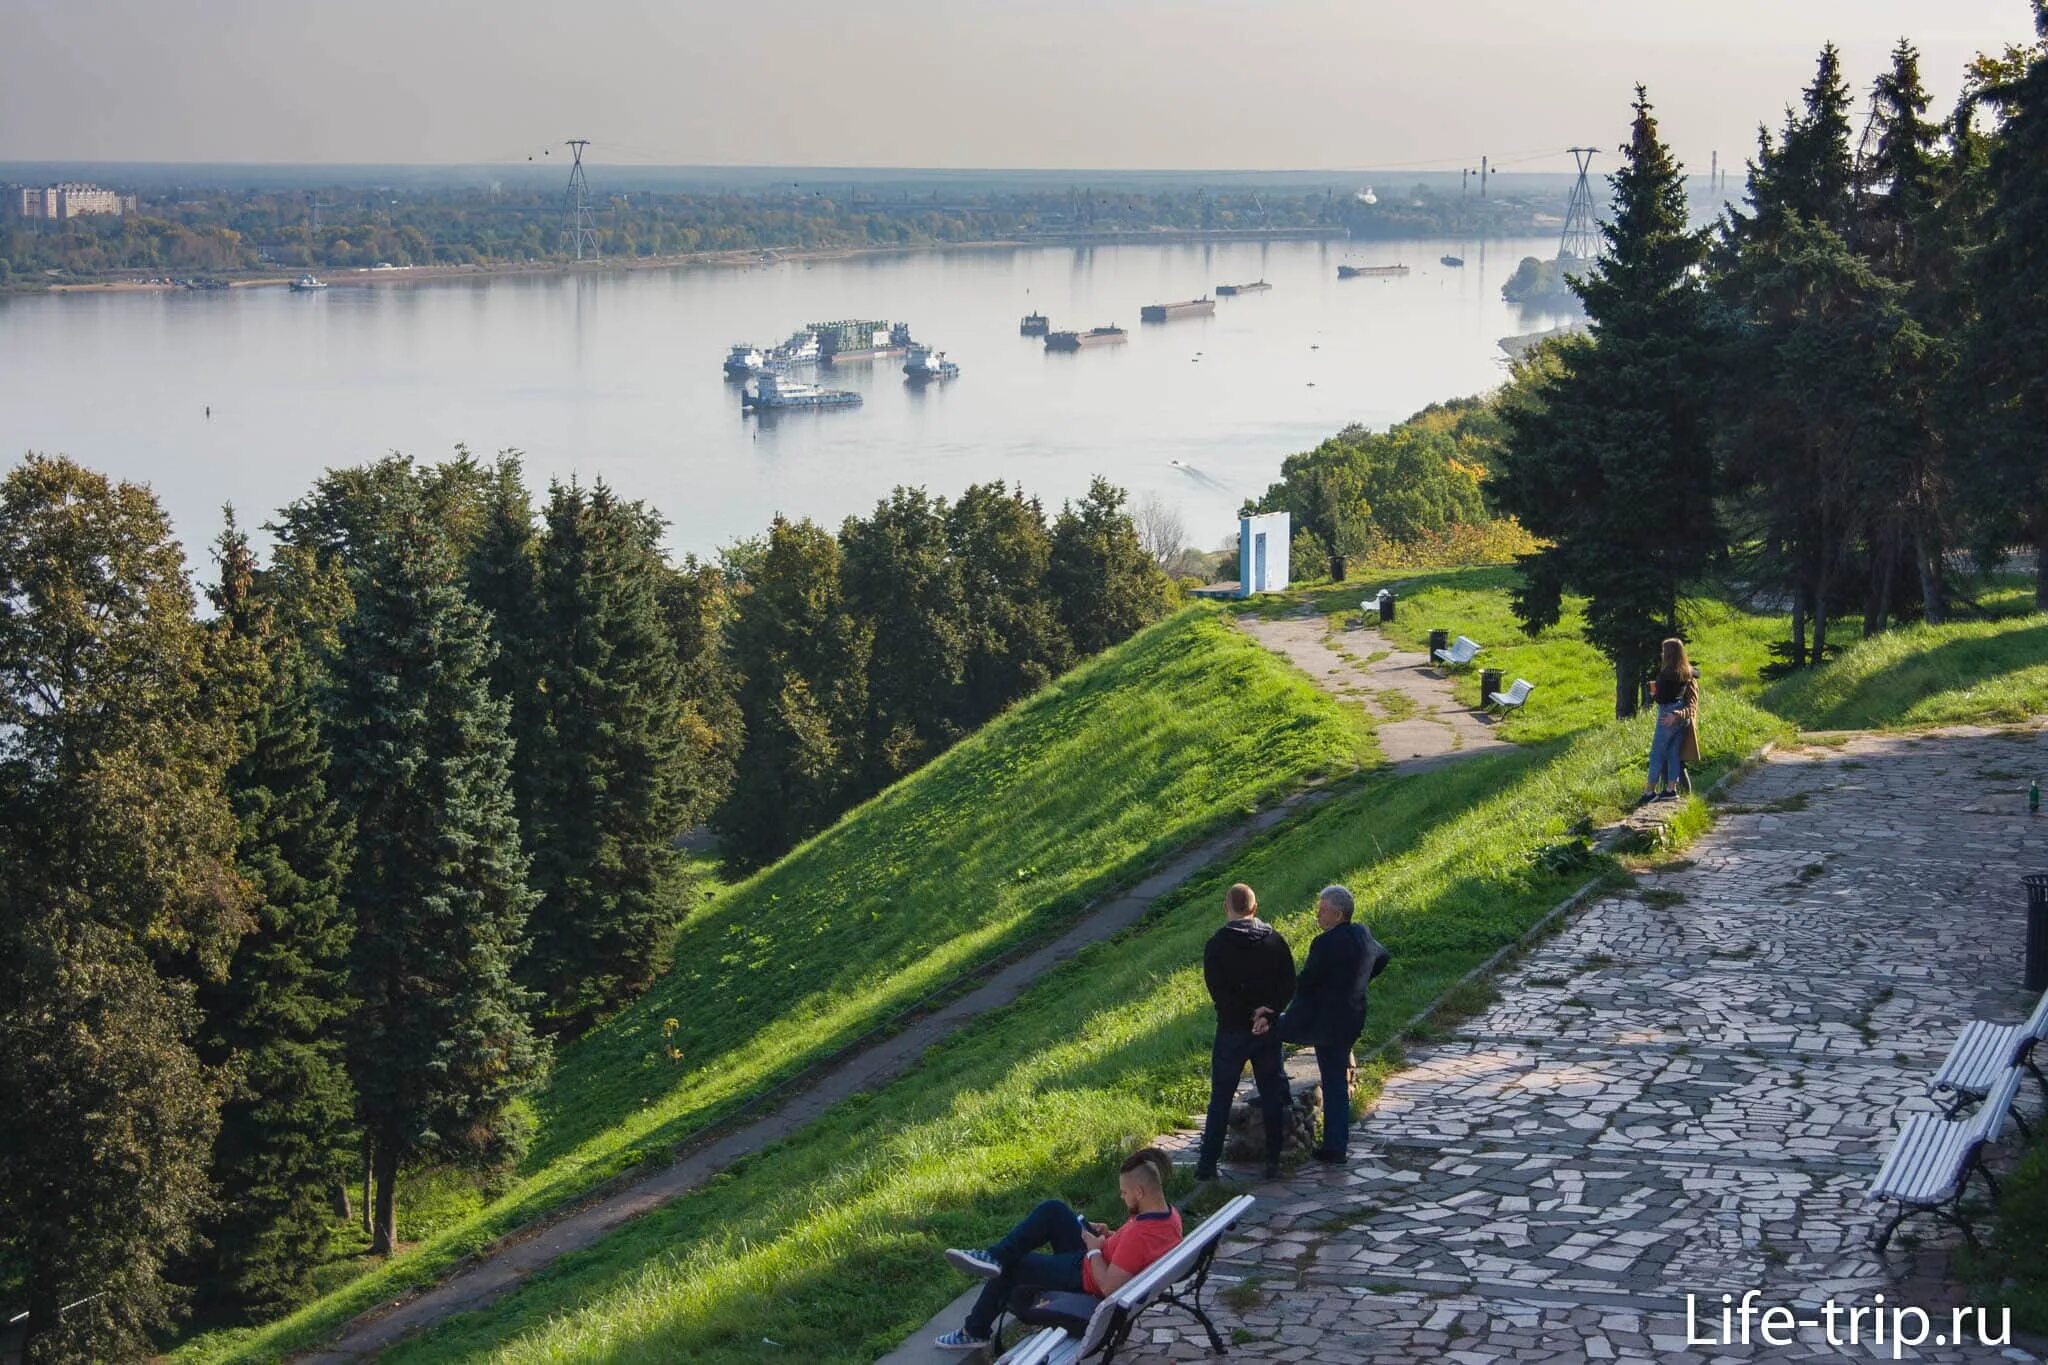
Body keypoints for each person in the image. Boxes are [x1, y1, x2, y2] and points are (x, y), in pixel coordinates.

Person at [934, 1147, 1184, 1352]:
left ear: (1139, 1192)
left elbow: (1109, 1287)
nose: (1122, 1197)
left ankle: (974, 1330)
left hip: (1085, 1278)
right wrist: (1111, 1236)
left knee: (1017, 1265)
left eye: (1124, 1192)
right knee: (1053, 1211)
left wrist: (1096, 1250)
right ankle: (993, 1257)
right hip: (1095, 1261)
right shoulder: (1169, 1217)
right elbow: (1135, 1250)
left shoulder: (1141, 1234)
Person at [1255, 885, 1389, 1164]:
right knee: (1336, 1079)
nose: (1318, 913)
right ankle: (1335, 1142)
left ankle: (1328, 1141)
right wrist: (1359, 981)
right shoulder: (1361, 934)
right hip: (1351, 1016)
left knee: (1271, 1034)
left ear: (1338, 914)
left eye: (1323, 909)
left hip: (1324, 1022)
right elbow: (1382, 957)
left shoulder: (1325, 943)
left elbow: (1305, 982)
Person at [1195, 883, 1296, 1182]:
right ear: (1254, 907)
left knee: (1221, 1097)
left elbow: (1219, 992)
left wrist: (1247, 1015)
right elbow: (1288, 983)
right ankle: (1274, 1160)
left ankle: (1207, 1165)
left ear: (1227, 908)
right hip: (1267, 1032)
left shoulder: (1217, 945)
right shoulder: (1274, 940)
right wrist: (1269, 1013)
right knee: (1272, 1094)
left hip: (1231, 1031)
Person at [1642, 637, 1699, 803]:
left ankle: (1649, 792)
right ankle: (1670, 790)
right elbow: (1697, 672)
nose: (1661, 653)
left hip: (1668, 714)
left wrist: (1653, 692)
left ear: (1669, 654)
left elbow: (1661, 698)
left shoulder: (1667, 674)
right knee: (1673, 753)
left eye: (1663, 651)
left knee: (1656, 754)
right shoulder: (1687, 671)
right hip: (1681, 714)